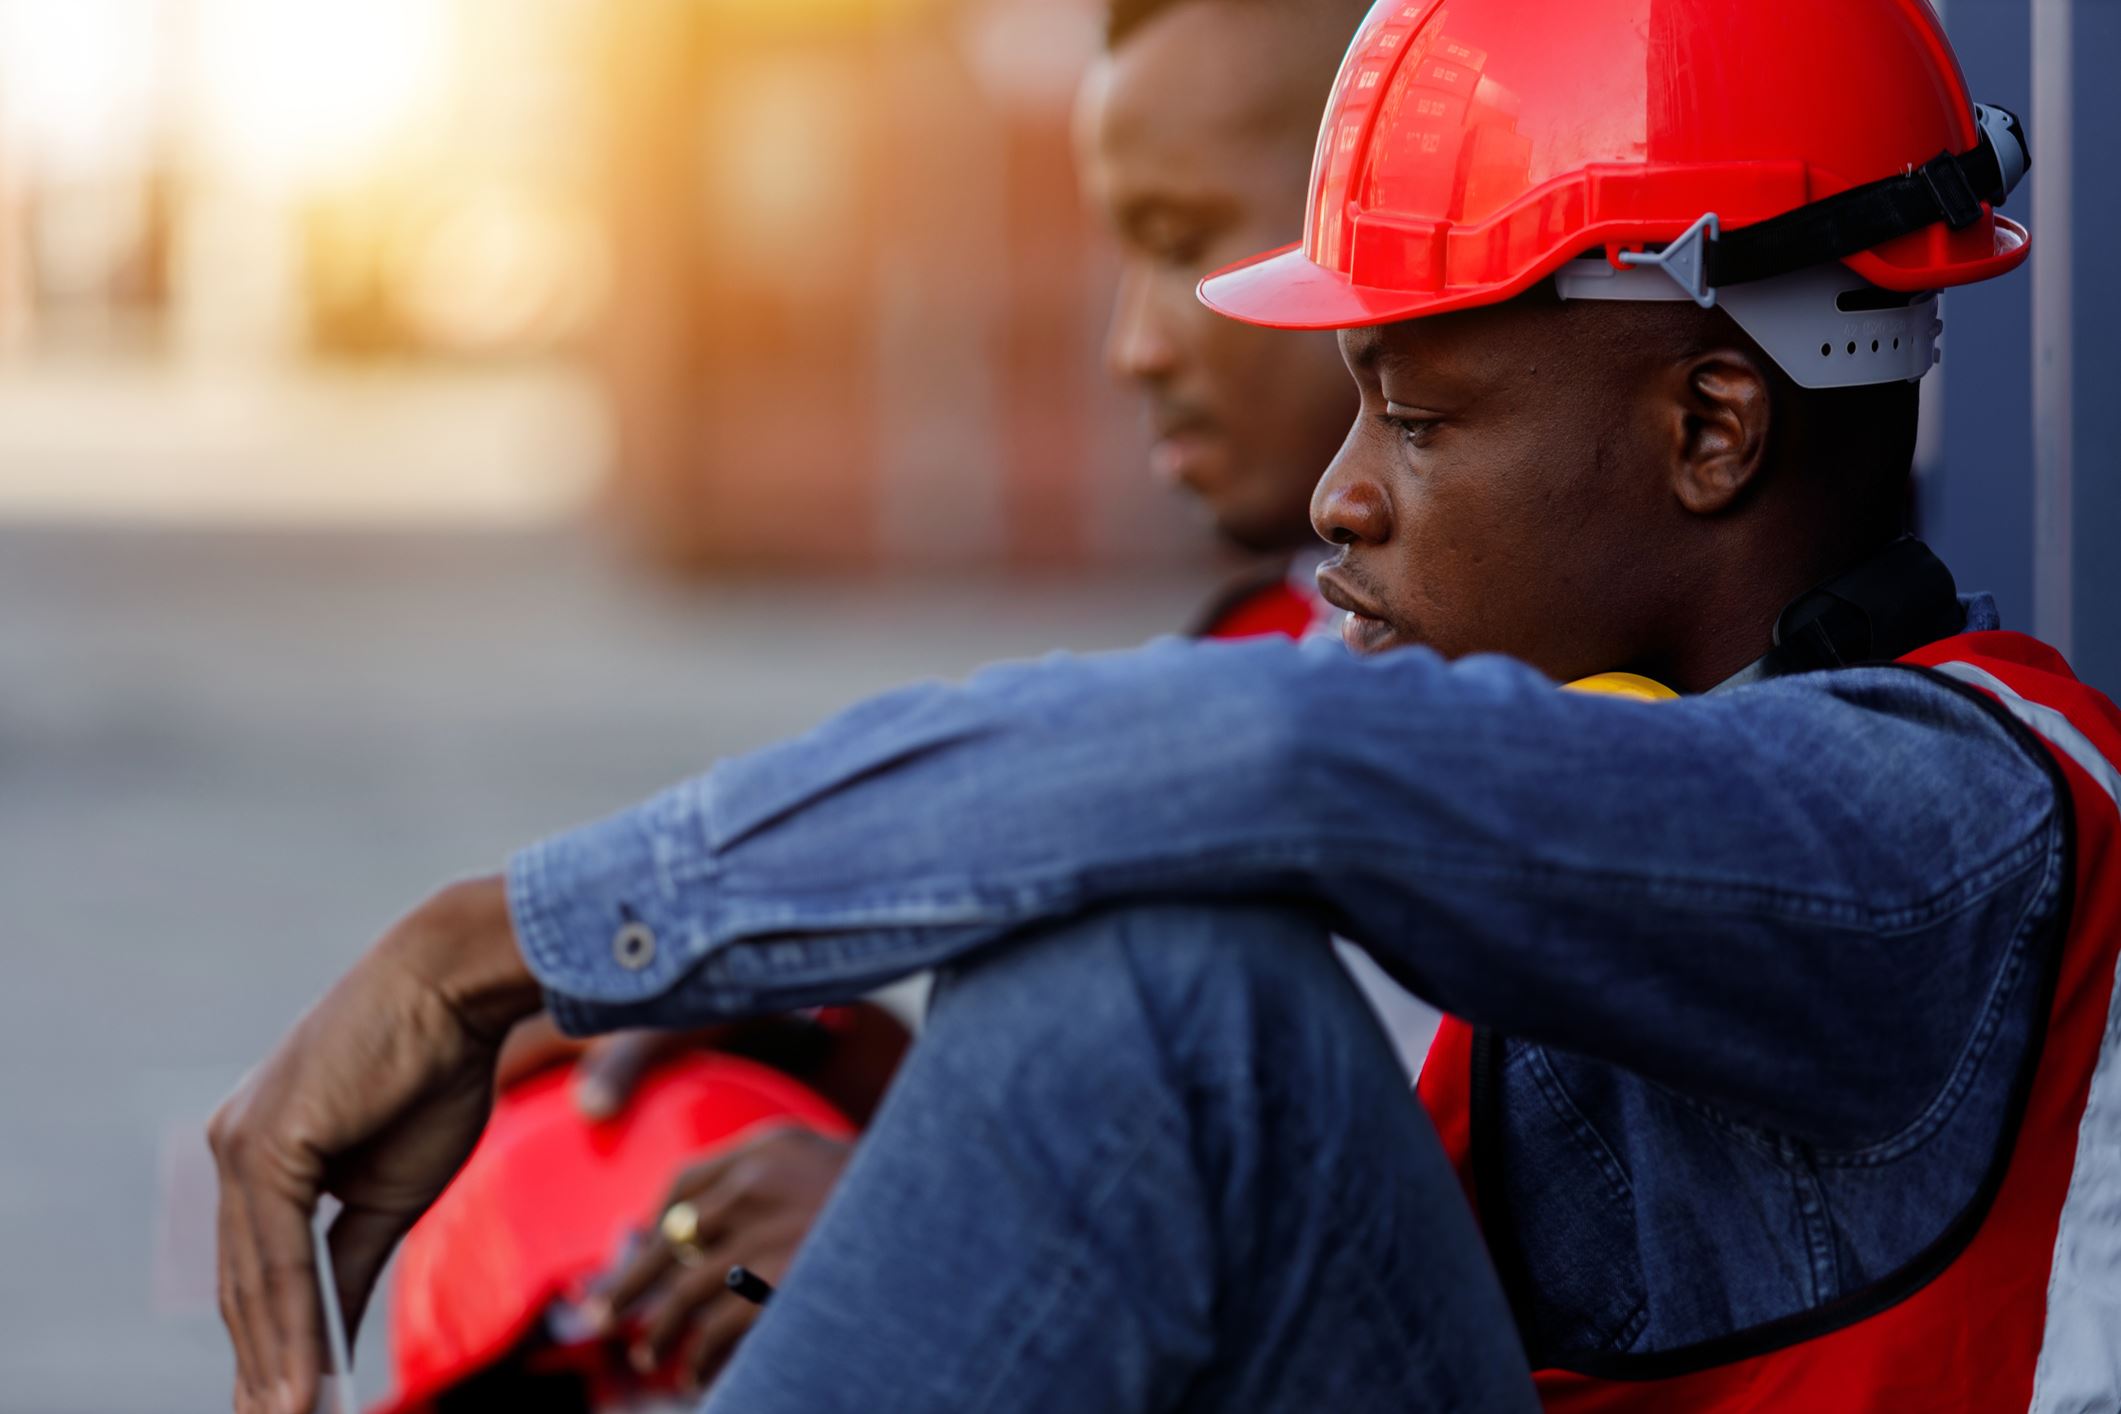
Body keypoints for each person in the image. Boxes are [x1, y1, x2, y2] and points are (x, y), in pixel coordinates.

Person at [210, 0, 2121, 1410]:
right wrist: (906, 1134)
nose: (1337, 493)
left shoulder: (1932, 825)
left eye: (1422, 416)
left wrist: (506, 944)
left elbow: (1264, 765)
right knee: (1108, 941)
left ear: (1709, 426)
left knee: (1165, 980)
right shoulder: (1653, 764)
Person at [370, 3, 1405, 1406]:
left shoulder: (1560, 683)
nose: (1128, 349)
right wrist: (879, 1083)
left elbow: (1390, 1257)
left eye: (1183, 244)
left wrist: (939, 1226)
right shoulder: (1293, 629)